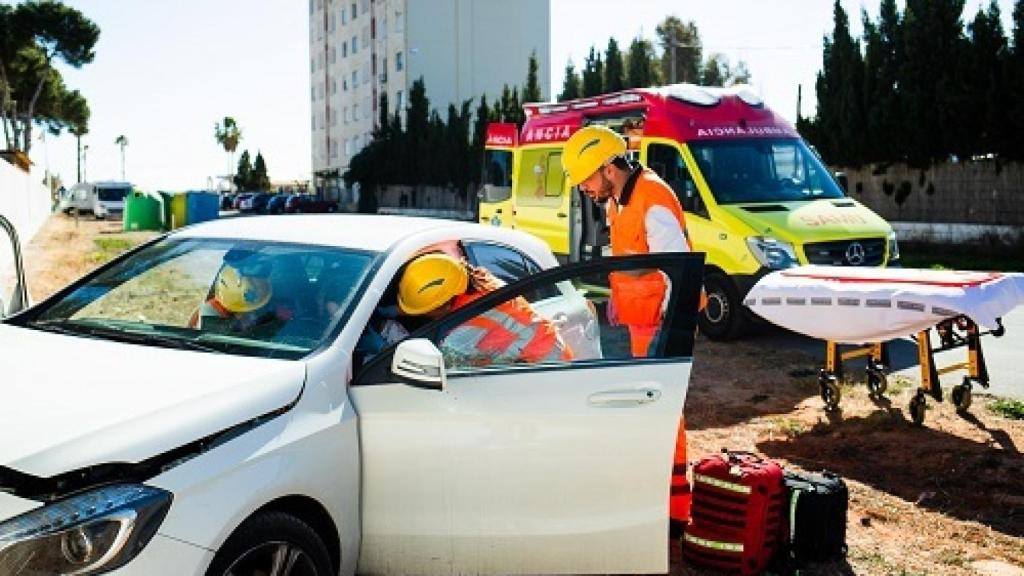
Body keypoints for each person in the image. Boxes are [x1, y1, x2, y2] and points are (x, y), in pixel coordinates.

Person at [562, 125, 692, 530]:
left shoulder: (652, 199)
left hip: (661, 324)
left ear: (607, 168)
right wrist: (618, 298)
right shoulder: (618, 201)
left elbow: (679, 270)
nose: (583, 188)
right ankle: (653, 497)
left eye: (586, 178)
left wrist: (668, 329)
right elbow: (631, 259)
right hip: (639, 323)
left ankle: (674, 512)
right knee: (648, 412)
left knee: (663, 414)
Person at [392, 252, 572, 367]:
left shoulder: (468, 326)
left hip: (544, 367)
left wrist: (386, 343)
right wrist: (398, 310)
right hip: (540, 354)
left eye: (425, 311)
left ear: (443, 305)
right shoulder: (479, 282)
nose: (424, 315)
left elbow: (440, 364)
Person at [189, 250, 290, 337]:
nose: (252, 316)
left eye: (254, 311)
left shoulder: (270, 302)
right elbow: (227, 340)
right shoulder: (211, 312)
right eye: (245, 314)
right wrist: (278, 323)